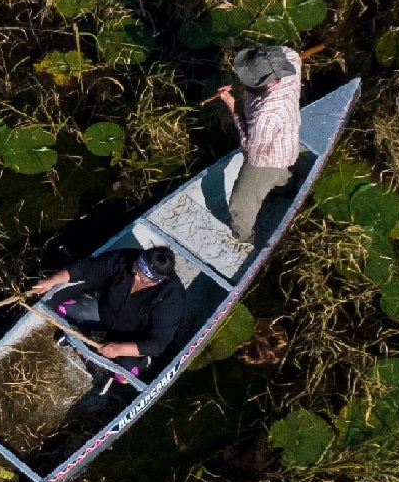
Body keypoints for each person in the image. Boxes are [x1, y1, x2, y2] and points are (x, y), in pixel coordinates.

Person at [28, 240, 198, 376]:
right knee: (60, 305)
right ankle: (80, 337)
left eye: (141, 276)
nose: (134, 275)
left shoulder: (172, 300)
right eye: (136, 268)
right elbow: (85, 268)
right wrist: (52, 280)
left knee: (125, 372)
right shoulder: (127, 258)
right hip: (104, 313)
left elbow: (158, 343)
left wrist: (119, 348)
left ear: (156, 281)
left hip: (131, 336)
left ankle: (139, 364)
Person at [211, 41, 309, 240]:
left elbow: (252, 150)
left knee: (239, 204)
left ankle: (244, 236)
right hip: (286, 143)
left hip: (267, 157)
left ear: (269, 83)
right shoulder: (290, 65)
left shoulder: (267, 114)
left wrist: (232, 106)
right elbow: (290, 53)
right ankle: (288, 188)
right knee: (278, 175)